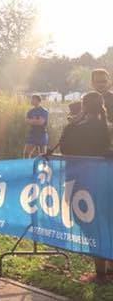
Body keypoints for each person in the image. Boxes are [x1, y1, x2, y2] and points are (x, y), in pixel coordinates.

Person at [59, 92, 112, 283]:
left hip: (84, 182)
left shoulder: (77, 128)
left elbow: (64, 147)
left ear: (83, 106)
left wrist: (74, 121)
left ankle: (101, 274)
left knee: (92, 225)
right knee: (106, 223)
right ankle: (109, 270)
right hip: (104, 180)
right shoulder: (105, 127)